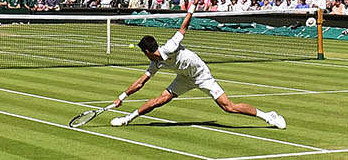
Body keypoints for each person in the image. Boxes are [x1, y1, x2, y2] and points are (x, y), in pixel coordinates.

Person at [109, 9, 284, 129]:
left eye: (143, 52)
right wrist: (121, 97)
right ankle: (127, 118)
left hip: (202, 75)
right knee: (160, 100)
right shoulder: (155, 63)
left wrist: (192, 8)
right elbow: (141, 83)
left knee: (228, 107)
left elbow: (183, 27)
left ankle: (268, 116)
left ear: (147, 51)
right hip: (184, 78)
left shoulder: (170, 46)